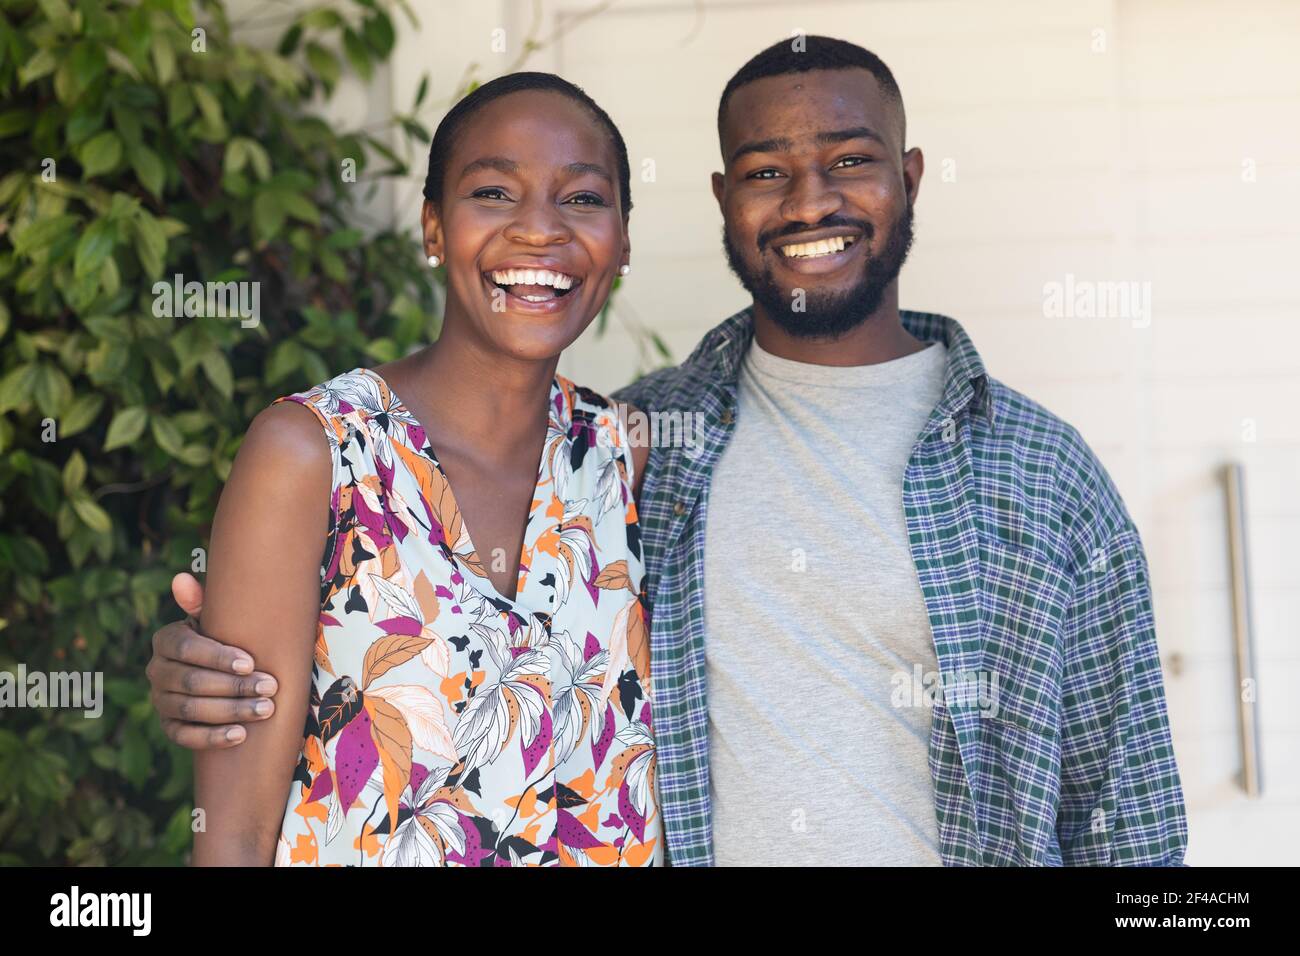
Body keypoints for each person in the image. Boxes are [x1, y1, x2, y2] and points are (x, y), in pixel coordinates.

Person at [149, 37, 1187, 866]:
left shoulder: (1035, 474)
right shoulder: (639, 445)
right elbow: (250, 790)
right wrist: (201, 662)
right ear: (722, 199)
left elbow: (1130, 813)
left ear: (909, 178)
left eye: (851, 162)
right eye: (767, 171)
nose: (811, 201)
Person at [182, 72, 660, 866]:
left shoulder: (623, 456)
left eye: (581, 199)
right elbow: (231, 834)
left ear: (624, 239)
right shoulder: (313, 455)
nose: (540, 231)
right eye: (494, 193)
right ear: (434, 228)